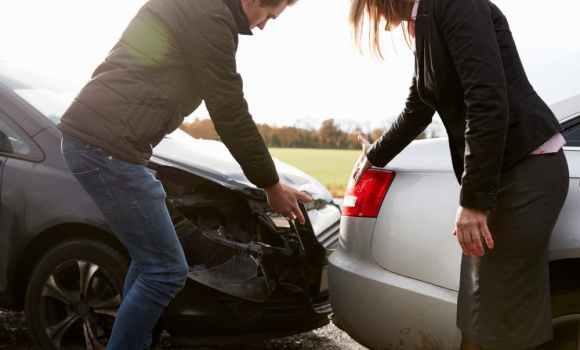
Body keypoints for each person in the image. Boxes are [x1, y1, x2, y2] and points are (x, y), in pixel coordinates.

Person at [56, 0, 309, 349]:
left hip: (108, 145)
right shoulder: (212, 17)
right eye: (270, 15)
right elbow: (229, 109)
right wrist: (270, 184)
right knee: (166, 271)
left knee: (151, 265)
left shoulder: (201, 9)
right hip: (106, 149)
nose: (264, 26)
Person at [348, 0, 569, 349]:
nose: (376, 19)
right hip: (503, 171)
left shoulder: (456, 5)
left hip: (525, 171)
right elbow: (418, 108)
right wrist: (373, 155)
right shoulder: (427, 19)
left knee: (499, 319)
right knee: (479, 312)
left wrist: (474, 201)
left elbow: (487, 101)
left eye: (370, 8)